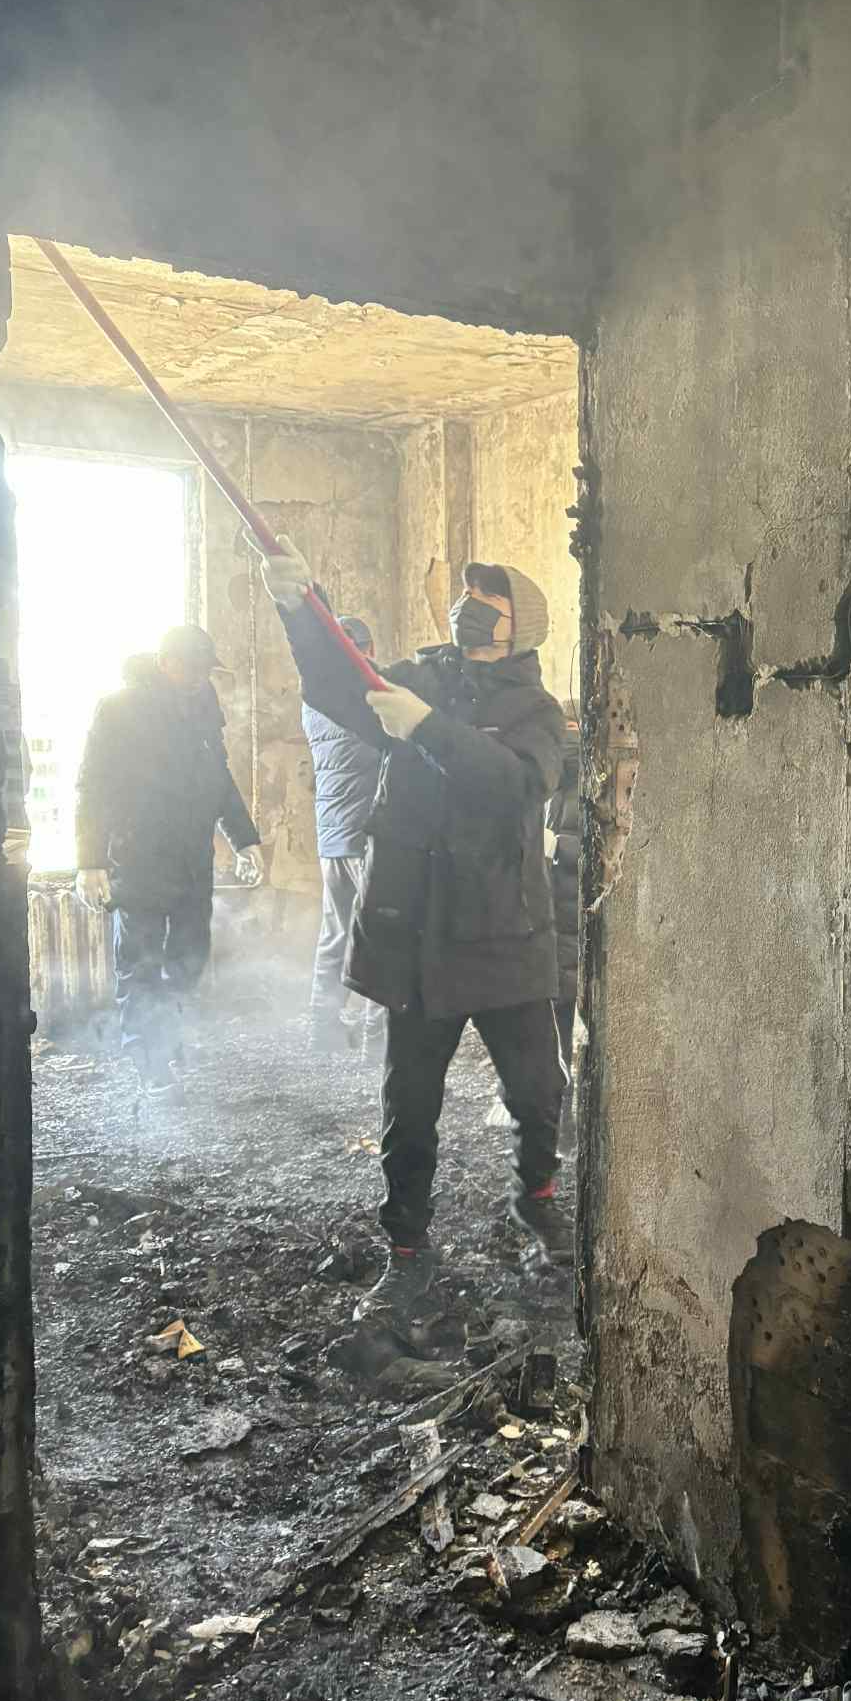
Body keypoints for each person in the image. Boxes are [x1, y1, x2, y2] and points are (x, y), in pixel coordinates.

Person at [255, 537, 568, 1323]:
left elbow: (514, 785)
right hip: (422, 938)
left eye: (488, 602)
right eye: (467, 597)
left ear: (520, 627)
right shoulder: (421, 676)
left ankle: (535, 1195)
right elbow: (336, 688)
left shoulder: (535, 711)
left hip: (502, 933)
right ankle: (407, 1249)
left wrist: (426, 728)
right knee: (410, 1106)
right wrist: (300, 607)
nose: (469, 610)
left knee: (538, 1090)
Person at [75, 625, 262, 1087]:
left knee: (190, 956)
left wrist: (245, 838)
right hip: (138, 857)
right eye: (191, 667)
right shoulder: (119, 710)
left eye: (205, 668)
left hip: (192, 859)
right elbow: (92, 786)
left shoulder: (203, 706)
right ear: (165, 663)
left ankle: (168, 1036)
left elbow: (219, 778)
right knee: (139, 961)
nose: (199, 676)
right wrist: (89, 861)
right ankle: (151, 1062)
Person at [304, 612, 384, 1054]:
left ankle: (323, 1029)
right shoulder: (369, 694)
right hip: (367, 832)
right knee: (381, 935)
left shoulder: (314, 698)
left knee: (335, 932)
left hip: (330, 834)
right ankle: (377, 1039)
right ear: (368, 651)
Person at [544, 703, 583, 1148]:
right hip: (562, 926)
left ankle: (564, 1122)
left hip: (562, 926)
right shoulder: (564, 787)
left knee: (561, 1028)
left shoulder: (554, 784)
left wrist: (555, 846)